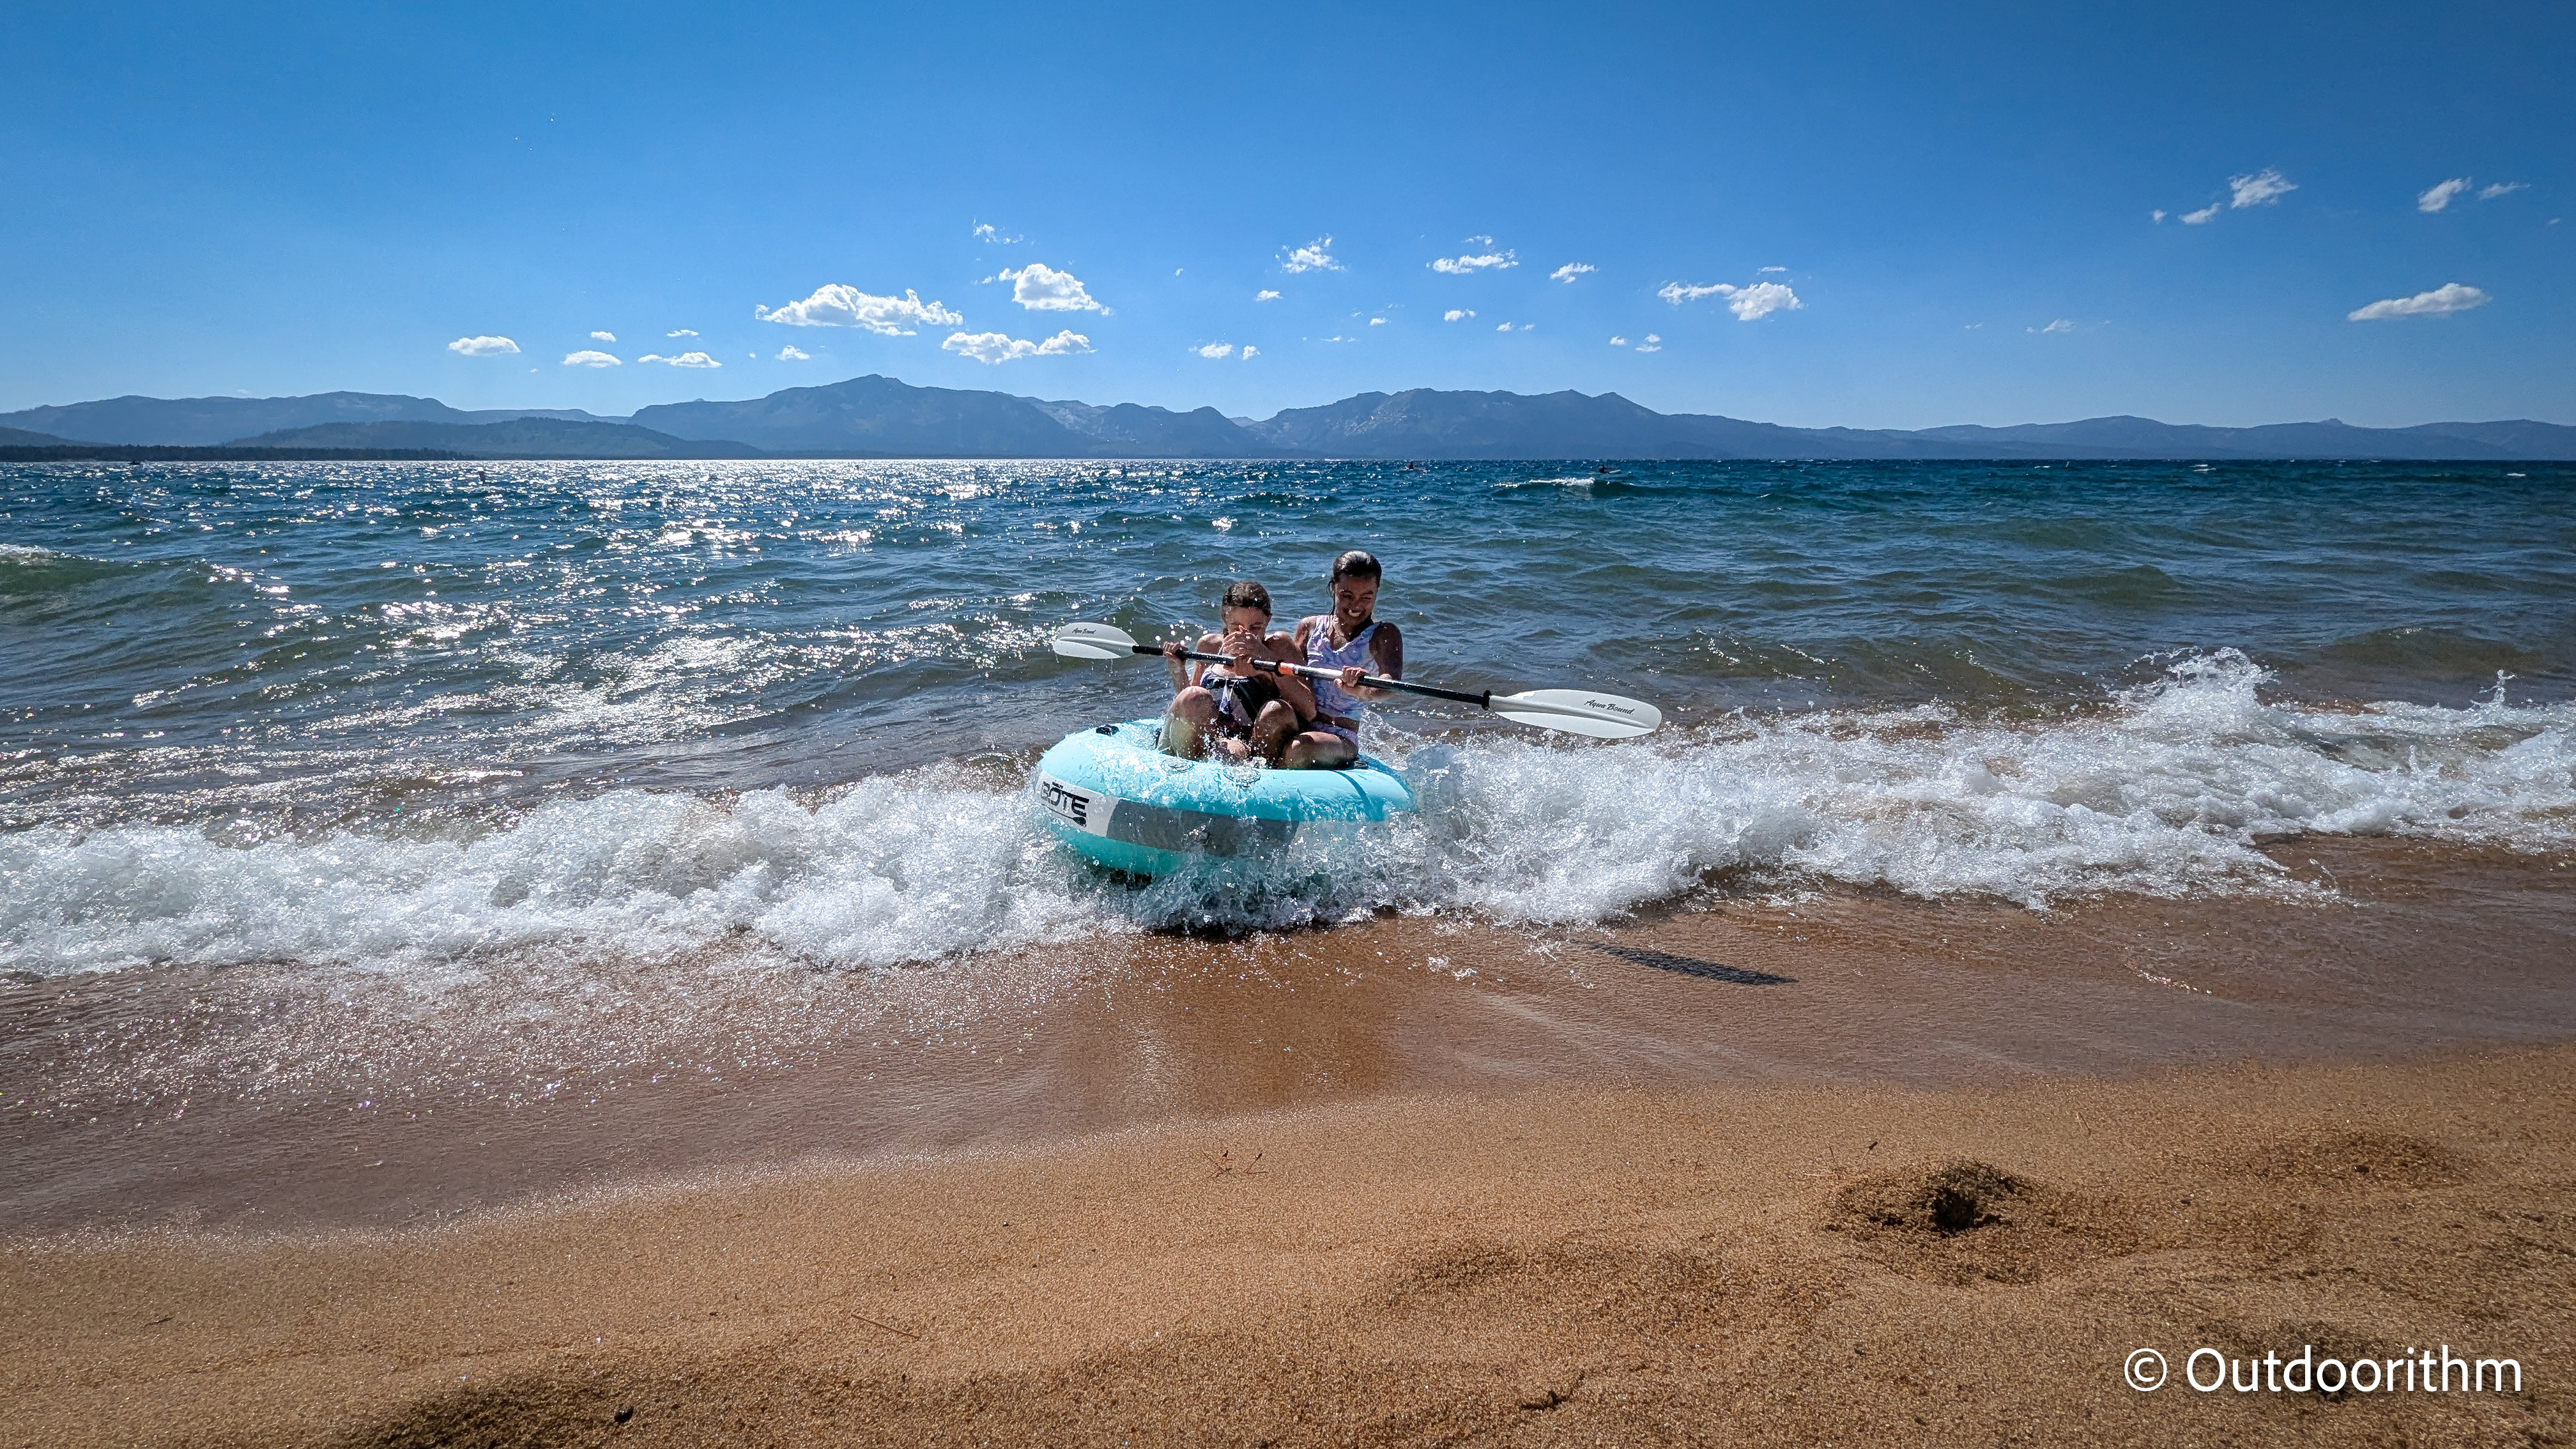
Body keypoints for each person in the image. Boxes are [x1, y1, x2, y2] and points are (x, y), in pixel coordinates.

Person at [1160, 579, 1313, 763]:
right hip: (1212, 737)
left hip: (1249, 744)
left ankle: (1260, 773)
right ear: (1225, 618)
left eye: (1255, 627)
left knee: (1273, 713)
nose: (1245, 635)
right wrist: (1178, 670)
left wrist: (1266, 660)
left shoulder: (1278, 646)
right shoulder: (1209, 645)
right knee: (1193, 695)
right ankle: (1176, 762)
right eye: (1235, 626)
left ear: (1268, 619)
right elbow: (1192, 708)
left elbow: (1309, 710)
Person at [1282, 550, 1404, 769]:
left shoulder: (1383, 634)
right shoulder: (1309, 627)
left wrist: (1362, 690)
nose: (1356, 605)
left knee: (1299, 748)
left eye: (1366, 597)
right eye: (1347, 595)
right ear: (1333, 589)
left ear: (1377, 592)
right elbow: (1291, 681)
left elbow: (1390, 683)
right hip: (1298, 724)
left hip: (1340, 737)